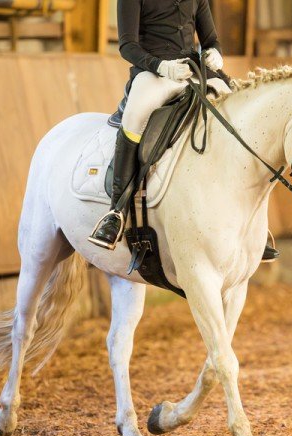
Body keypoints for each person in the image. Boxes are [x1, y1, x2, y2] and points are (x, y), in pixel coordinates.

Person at [87, 0, 231, 250]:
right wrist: (160, 66)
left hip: (191, 71)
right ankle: (116, 212)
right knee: (134, 118)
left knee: (234, 109)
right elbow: (127, 46)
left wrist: (214, 52)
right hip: (152, 73)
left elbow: (210, 40)